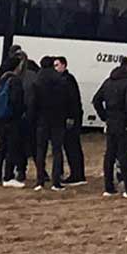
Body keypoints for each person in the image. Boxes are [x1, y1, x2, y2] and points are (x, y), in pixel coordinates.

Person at [92, 57, 127, 198]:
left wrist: (105, 117)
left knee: (110, 155)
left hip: (111, 123)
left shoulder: (108, 81)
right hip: (123, 124)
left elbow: (96, 100)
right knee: (123, 156)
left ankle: (108, 187)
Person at [31, 56, 72, 192]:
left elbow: (33, 102)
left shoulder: (37, 80)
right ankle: (56, 181)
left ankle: (40, 180)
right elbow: (66, 101)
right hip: (57, 119)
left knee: (40, 150)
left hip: (42, 119)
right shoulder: (61, 79)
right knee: (57, 150)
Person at [0, 60, 29, 188]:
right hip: (12, 119)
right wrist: (22, 111)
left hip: (2, 118)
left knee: (1, 148)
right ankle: (8, 176)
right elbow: (16, 101)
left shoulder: (2, 78)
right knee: (12, 148)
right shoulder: (15, 80)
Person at [55, 57, 87, 186]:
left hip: (72, 118)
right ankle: (77, 173)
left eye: (57, 65)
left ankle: (77, 174)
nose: (55, 68)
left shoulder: (67, 80)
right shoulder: (65, 79)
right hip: (71, 117)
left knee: (72, 146)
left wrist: (71, 117)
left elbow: (73, 101)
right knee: (70, 146)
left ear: (64, 65)